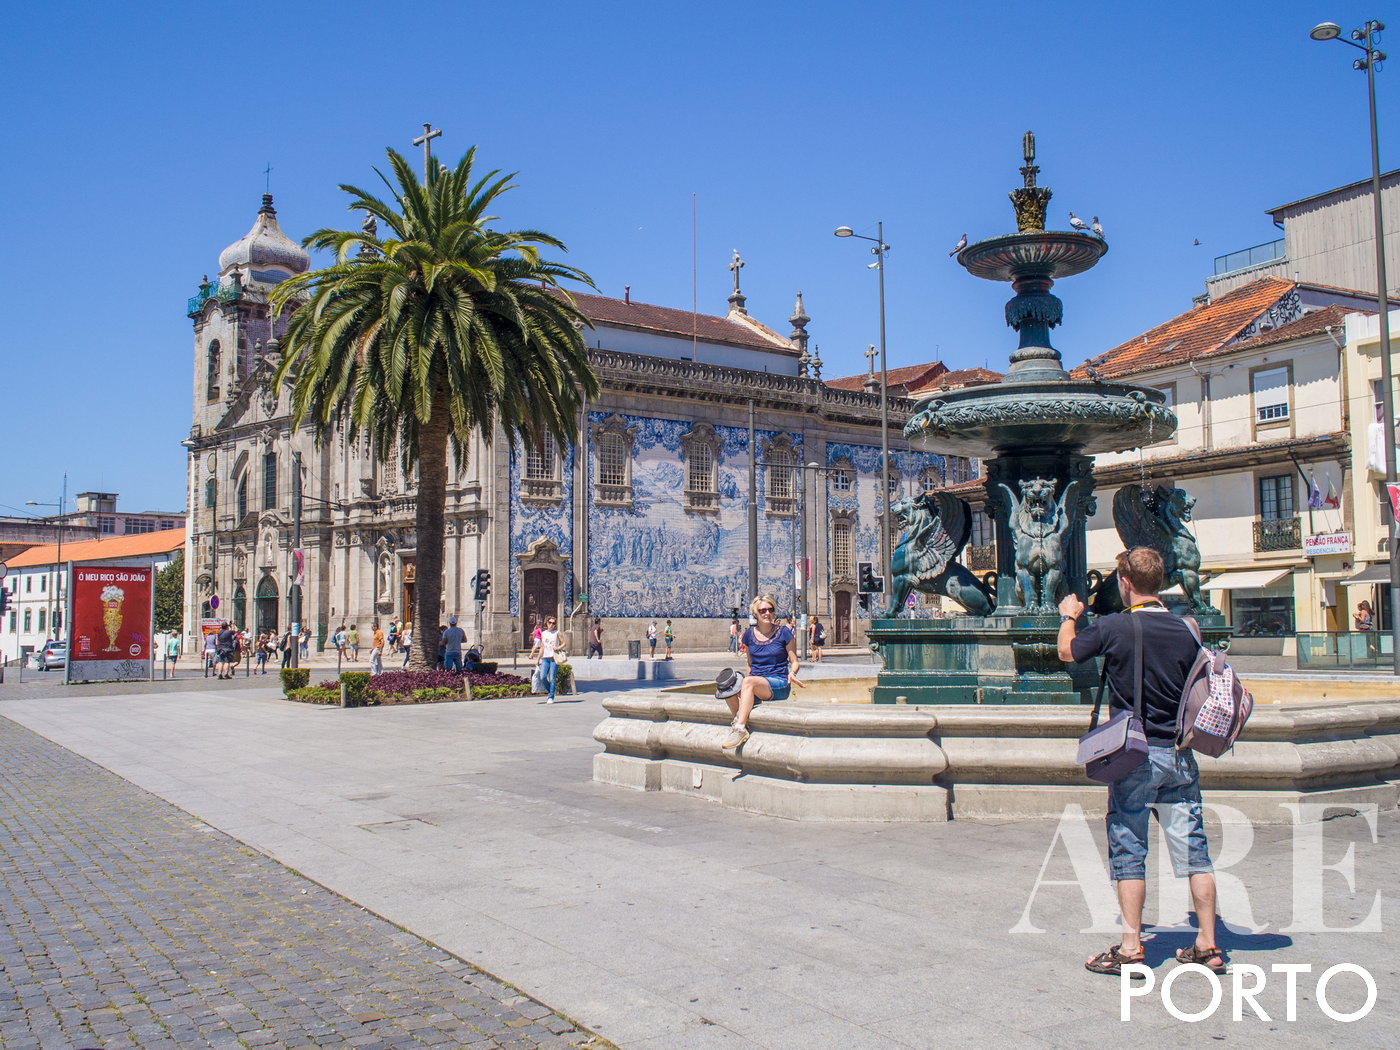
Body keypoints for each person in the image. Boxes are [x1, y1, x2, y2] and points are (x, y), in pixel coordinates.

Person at [1057, 547, 1225, 978]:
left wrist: (1069, 615)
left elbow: (1067, 653)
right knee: (1194, 850)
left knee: (1129, 847)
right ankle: (1207, 943)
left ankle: (1131, 948)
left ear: (1124, 583)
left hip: (1134, 753)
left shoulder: (1113, 626)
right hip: (1180, 754)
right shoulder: (1187, 629)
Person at [720, 594, 804, 749]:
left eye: (770, 610)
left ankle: (739, 728)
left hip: (778, 682)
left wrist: (793, 673)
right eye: (762, 610)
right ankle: (739, 719)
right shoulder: (749, 635)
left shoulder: (784, 632)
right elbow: (750, 664)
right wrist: (744, 687)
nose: (767, 613)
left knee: (749, 682)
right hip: (756, 683)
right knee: (726, 685)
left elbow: (794, 661)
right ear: (755, 614)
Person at [529, 615, 563, 703]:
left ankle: (551, 696)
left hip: (554, 658)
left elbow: (564, 643)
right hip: (545, 658)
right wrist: (537, 659)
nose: (551, 625)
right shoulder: (543, 633)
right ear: (546, 623)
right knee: (543, 676)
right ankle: (551, 691)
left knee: (552, 678)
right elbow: (542, 647)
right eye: (550, 623)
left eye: (553, 623)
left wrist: (558, 648)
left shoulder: (557, 632)